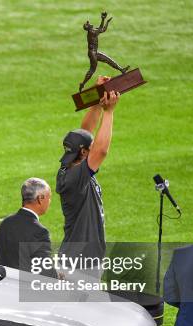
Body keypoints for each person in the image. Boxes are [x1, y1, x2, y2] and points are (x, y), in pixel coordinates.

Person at [56, 77, 119, 262]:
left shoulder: (70, 165)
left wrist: (97, 102)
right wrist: (109, 112)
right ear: (83, 152)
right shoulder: (76, 177)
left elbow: (86, 133)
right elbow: (100, 151)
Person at [0, 178, 55, 277]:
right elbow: (46, 273)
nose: (50, 201)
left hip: (7, 285)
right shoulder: (40, 232)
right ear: (40, 199)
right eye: (49, 197)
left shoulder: (5, 223)